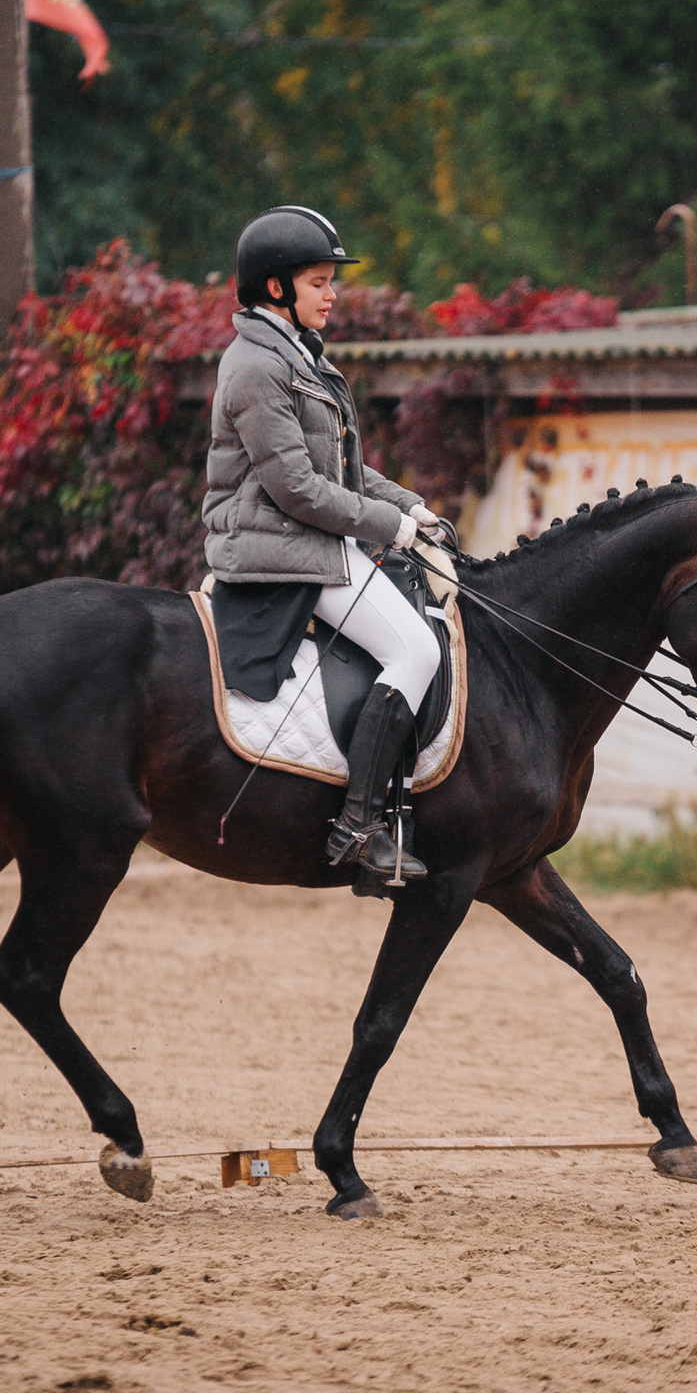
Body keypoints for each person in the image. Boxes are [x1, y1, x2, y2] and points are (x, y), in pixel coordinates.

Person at [202, 206, 449, 886]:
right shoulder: (255, 367)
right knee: (417, 648)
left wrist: (410, 508)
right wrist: (387, 527)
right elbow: (297, 489)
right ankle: (359, 824)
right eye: (319, 281)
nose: (333, 294)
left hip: (306, 540)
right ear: (276, 288)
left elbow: (342, 472)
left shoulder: (299, 358)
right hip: (279, 547)